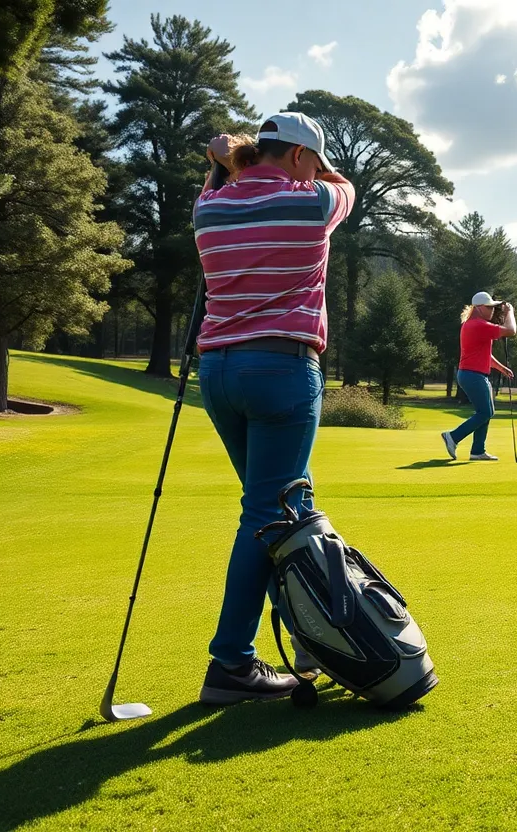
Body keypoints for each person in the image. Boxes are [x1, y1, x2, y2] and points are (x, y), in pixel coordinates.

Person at [192, 112, 355, 705]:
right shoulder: (313, 203)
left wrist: (225, 163)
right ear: (299, 158)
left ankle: (310, 639)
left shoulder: (209, 208)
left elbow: (219, 187)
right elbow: (344, 186)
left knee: (288, 507)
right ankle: (231, 663)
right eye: (313, 161)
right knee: (268, 514)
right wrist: (303, 166)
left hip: (218, 374)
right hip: (281, 370)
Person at [441, 292, 516, 461]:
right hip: (473, 374)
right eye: (489, 307)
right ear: (480, 308)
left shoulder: (474, 325)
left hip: (473, 374)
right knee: (485, 412)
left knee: (487, 412)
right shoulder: (479, 325)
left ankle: (477, 451)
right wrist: (509, 312)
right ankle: (453, 437)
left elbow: (485, 355)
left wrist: (501, 368)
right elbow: (511, 331)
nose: (492, 311)